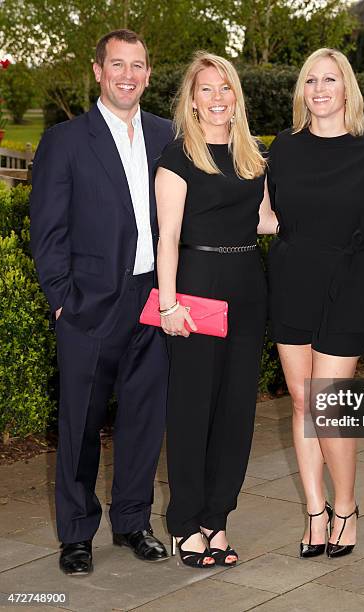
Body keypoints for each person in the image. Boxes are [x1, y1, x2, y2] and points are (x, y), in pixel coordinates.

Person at [30, 30, 173, 576]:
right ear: (98, 71)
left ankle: (134, 521)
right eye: (118, 65)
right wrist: (63, 300)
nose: (128, 75)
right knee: (80, 423)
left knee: (144, 418)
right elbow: (47, 231)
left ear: (148, 73)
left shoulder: (167, 134)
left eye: (138, 65)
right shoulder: (65, 141)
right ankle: (76, 533)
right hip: (89, 305)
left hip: (154, 299)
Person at [267, 48, 364, 559]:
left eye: (330, 80)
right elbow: (266, 216)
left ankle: (347, 506)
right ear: (303, 91)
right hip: (292, 278)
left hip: (348, 279)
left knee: (330, 406)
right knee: (301, 401)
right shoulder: (284, 148)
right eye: (311, 80)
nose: (319, 89)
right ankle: (315, 513)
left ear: (347, 90)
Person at [155, 51, 276, 568]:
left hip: (248, 285)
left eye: (225, 88)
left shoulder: (255, 155)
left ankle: (216, 520)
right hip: (197, 287)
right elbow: (169, 238)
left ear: (237, 97)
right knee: (192, 412)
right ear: (192, 99)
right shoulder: (178, 156)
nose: (218, 98)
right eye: (207, 89)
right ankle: (185, 524)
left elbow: (268, 220)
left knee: (235, 413)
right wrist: (167, 304)